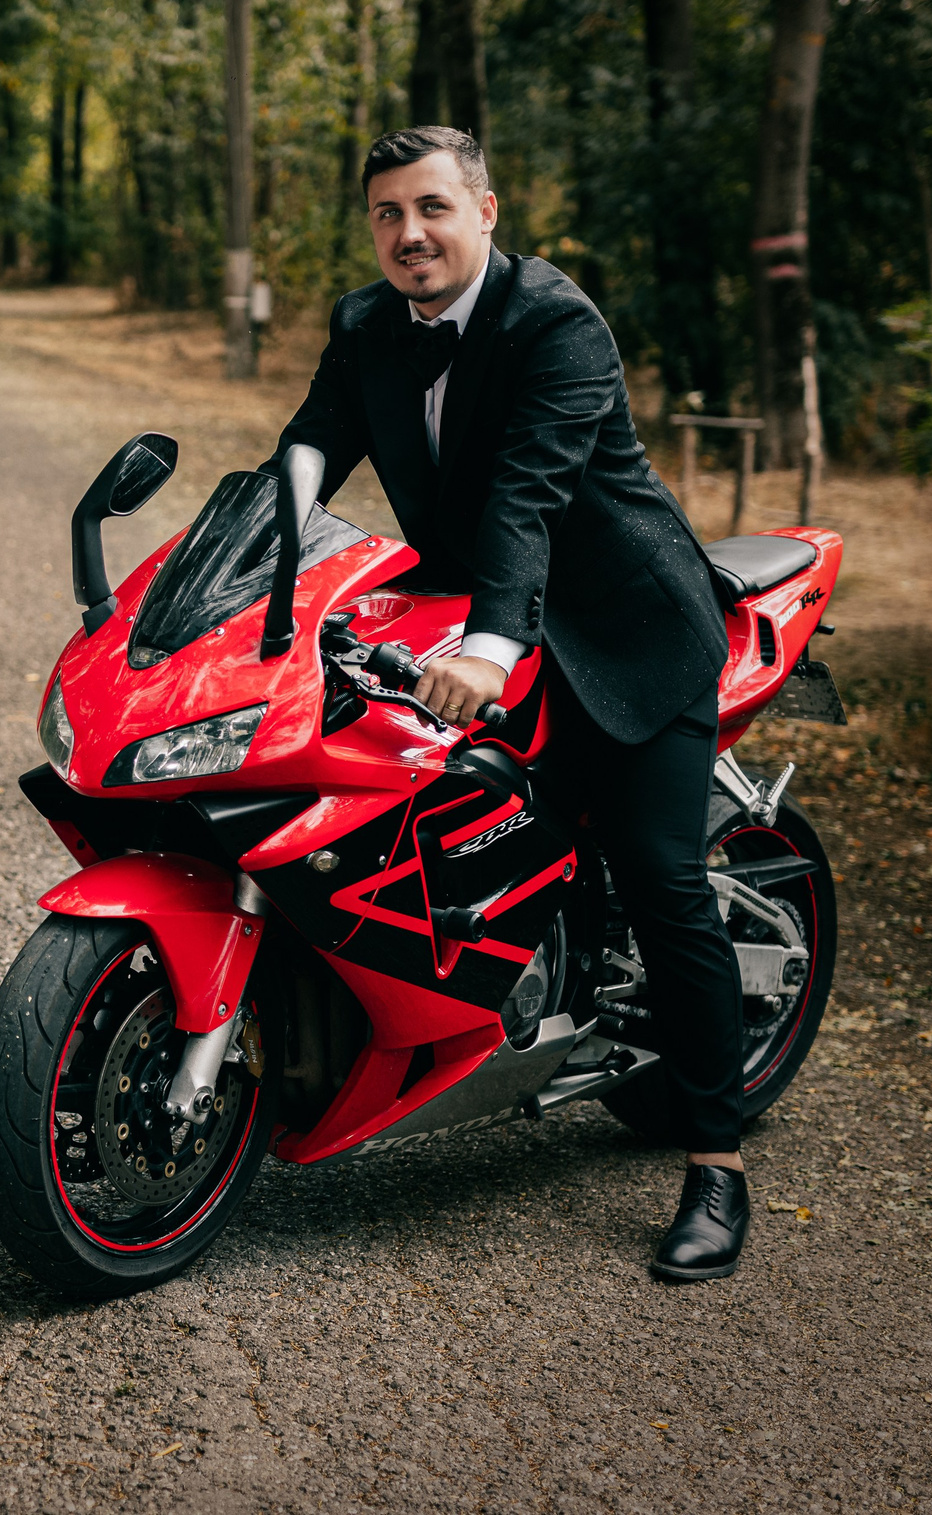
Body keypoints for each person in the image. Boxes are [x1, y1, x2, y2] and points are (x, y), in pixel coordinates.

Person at [274, 126, 751, 1283]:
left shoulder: (555, 320)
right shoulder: (365, 325)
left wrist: (493, 638)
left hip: (621, 629)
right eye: (386, 214)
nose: (408, 234)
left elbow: (525, 496)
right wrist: (265, 550)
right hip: (475, 613)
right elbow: (309, 445)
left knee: (659, 876)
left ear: (486, 211)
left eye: (431, 207)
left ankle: (717, 1167)